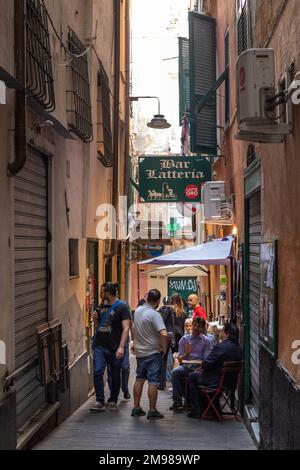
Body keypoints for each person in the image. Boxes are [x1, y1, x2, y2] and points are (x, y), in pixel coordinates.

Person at [90, 282, 131, 412]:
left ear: (107, 293)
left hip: (115, 347)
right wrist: (96, 319)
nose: (100, 295)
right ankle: (100, 401)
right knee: (98, 372)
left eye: (102, 292)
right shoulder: (101, 306)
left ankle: (113, 399)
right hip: (100, 346)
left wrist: (121, 347)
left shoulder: (122, 307)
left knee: (115, 374)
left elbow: (126, 328)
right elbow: (100, 327)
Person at [187, 322, 243, 419]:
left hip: (216, 382)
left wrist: (201, 367)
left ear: (227, 333)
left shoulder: (221, 347)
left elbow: (207, 363)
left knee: (192, 376)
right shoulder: (239, 348)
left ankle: (196, 409)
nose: (220, 333)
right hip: (231, 382)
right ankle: (213, 408)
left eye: (222, 331)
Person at [131, 289, 169, 419]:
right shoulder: (155, 314)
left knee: (139, 379)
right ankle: (152, 410)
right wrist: (164, 348)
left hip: (140, 352)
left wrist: (135, 343)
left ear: (147, 298)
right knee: (153, 381)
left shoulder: (138, 311)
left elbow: (133, 328)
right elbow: (163, 333)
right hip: (153, 352)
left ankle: (136, 408)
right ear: (158, 301)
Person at [169, 317, 211, 412]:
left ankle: (194, 404)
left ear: (202, 328)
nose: (196, 328)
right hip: (186, 367)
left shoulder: (206, 341)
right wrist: (186, 353)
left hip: (199, 368)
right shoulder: (184, 339)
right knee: (175, 372)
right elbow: (180, 360)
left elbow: (206, 359)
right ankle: (177, 402)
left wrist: (201, 367)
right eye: (195, 325)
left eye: (199, 326)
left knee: (194, 376)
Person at [158, 293, 186, 389]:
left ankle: (161, 384)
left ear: (171, 301)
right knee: (177, 358)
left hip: (168, 336)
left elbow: (163, 322)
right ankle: (178, 383)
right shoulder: (183, 312)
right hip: (179, 336)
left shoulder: (168, 310)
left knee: (163, 358)